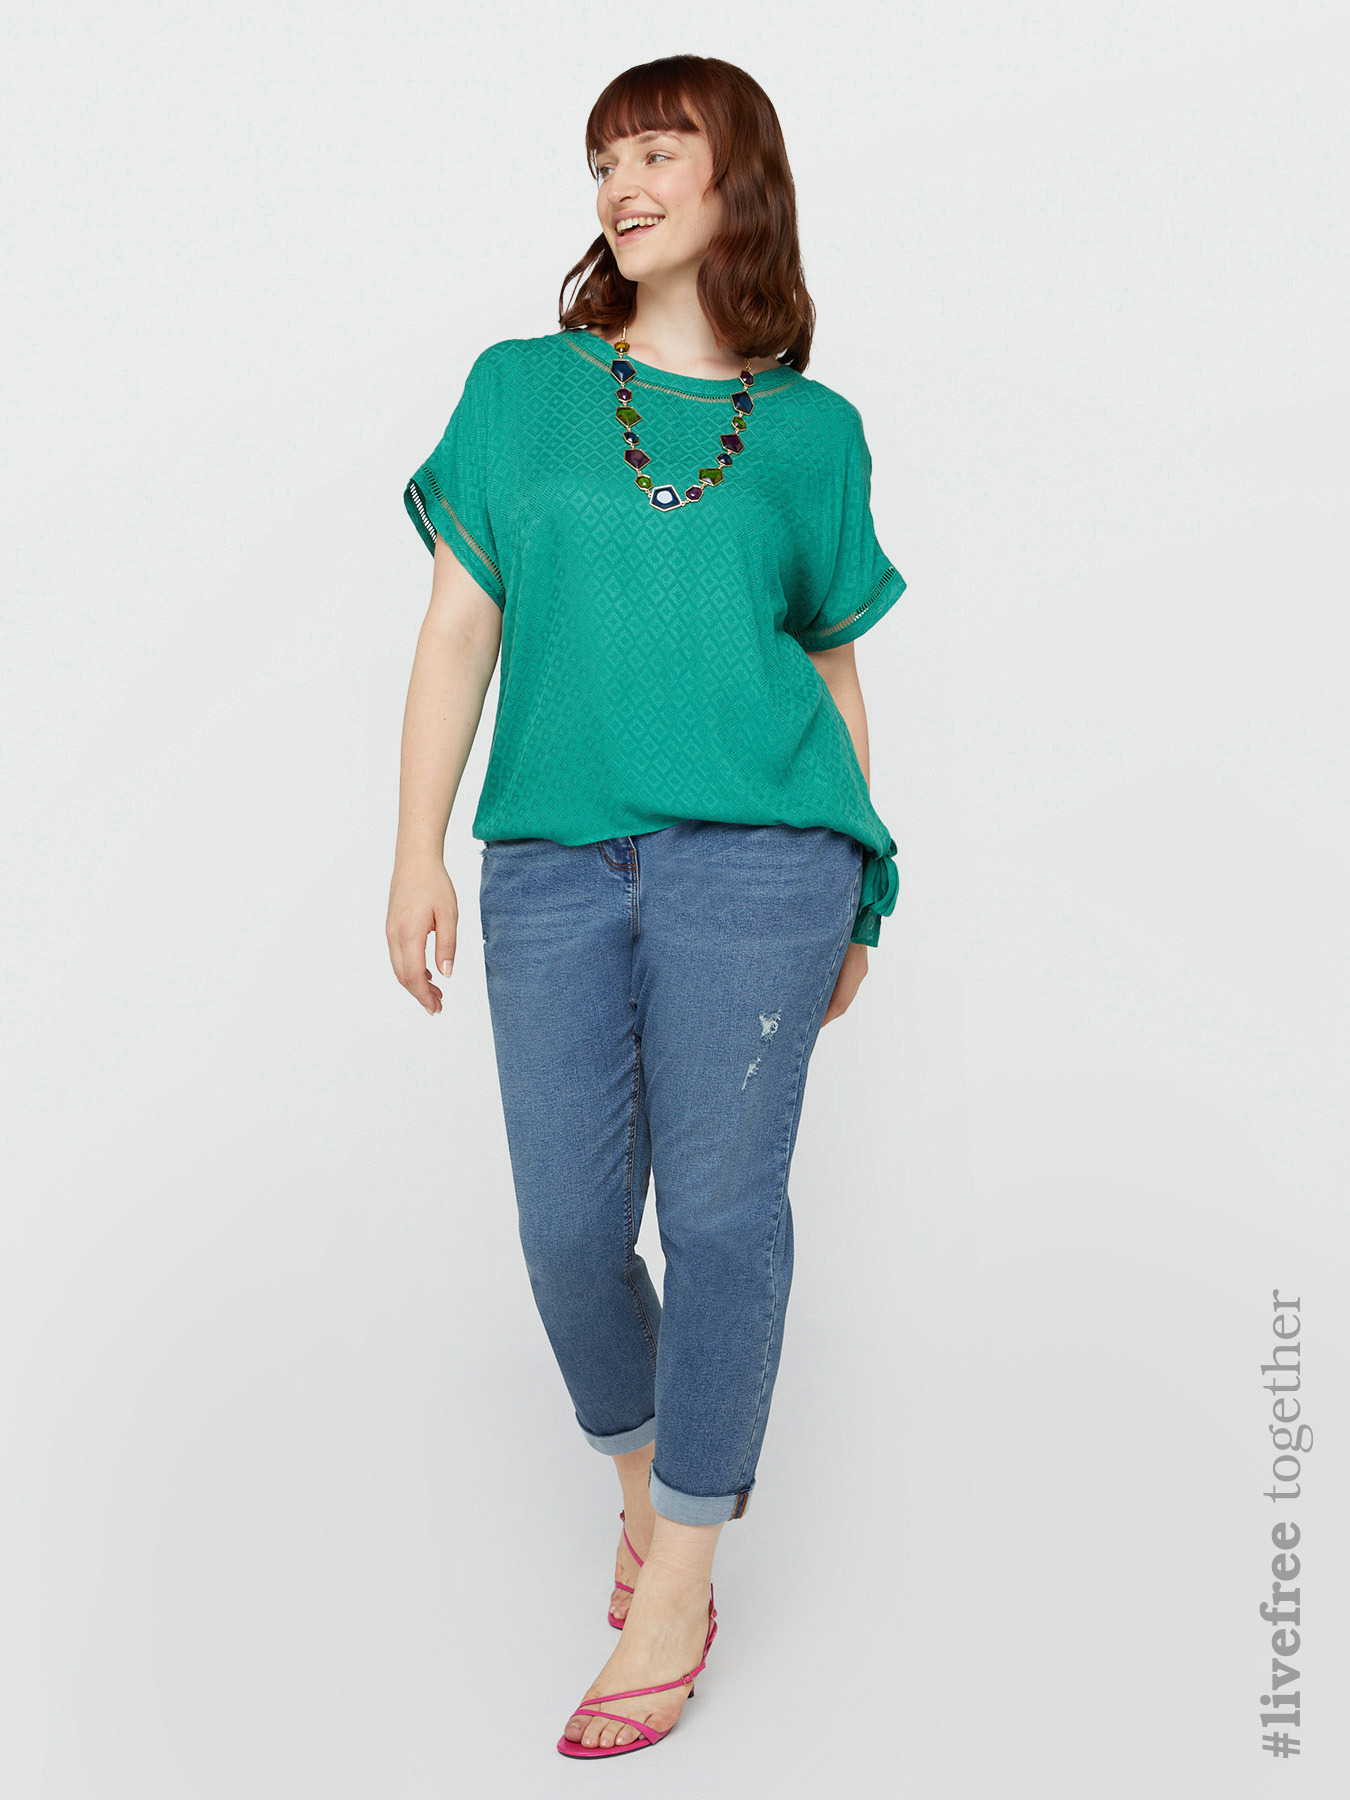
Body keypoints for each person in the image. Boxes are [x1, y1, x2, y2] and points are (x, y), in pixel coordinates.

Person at [386, 54, 905, 1760]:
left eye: (659, 151)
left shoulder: (812, 433)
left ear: (736, 176)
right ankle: (647, 1486)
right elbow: (458, 627)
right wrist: (414, 848)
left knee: (729, 1219)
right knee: (565, 1229)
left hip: (764, 858)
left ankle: (677, 1580)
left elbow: (827, 662)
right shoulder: (519, 391)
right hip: (550, 861)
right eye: (603, 158)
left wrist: (862, 884)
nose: (621, 183)